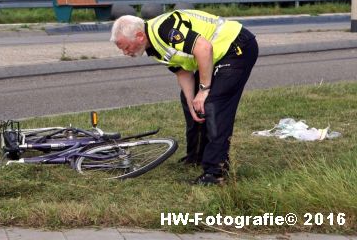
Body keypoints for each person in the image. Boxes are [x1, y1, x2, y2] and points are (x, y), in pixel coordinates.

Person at [110, 10, 258, 185]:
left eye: (126, 47)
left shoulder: (164, 30)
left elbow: (204, 48)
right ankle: (196, 156)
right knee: (192, 102)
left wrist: (203, 90)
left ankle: (215, 173)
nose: (125, 53)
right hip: (214, 56)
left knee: (213, 104)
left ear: (140, 36)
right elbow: (182, 72)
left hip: (236, 47)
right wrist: (192, 101)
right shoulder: (153, 47)